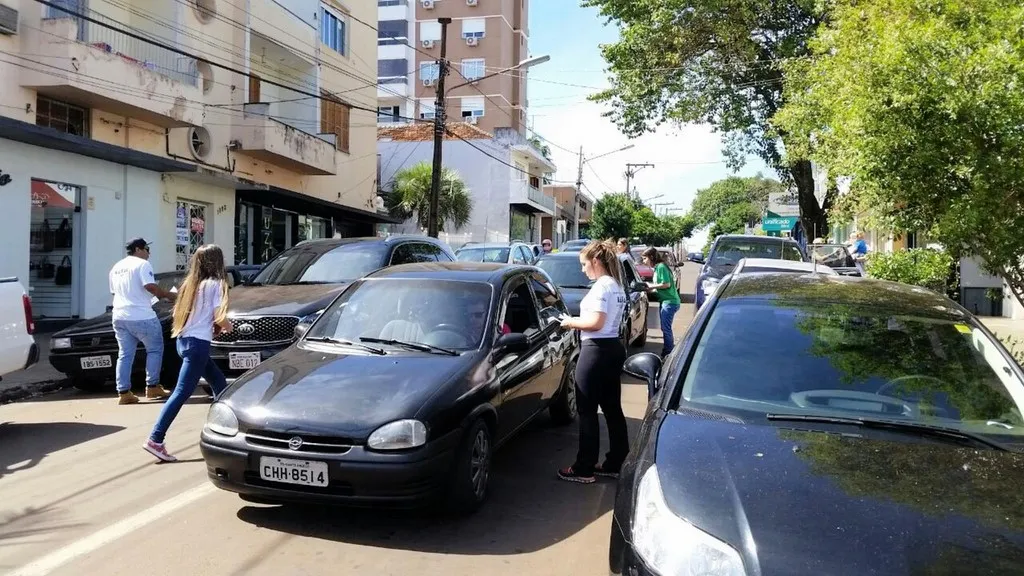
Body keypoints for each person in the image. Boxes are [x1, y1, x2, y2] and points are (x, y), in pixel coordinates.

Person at [144, 244, 233, 462]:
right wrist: (230, 326)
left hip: (184, 341)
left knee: (221, 386)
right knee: (182, 392)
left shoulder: (190, 284)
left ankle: (227, 433)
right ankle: (155, 438)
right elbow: (219, 317)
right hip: (198, 345)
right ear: (218, 262)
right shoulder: (217, 284)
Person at [558, 240, 630, 484]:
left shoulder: (601, 287)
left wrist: (570, 321)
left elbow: (595, 323)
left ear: (595, 261)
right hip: (612, 347)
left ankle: (584, 468)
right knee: (612, 409)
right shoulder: (616, 286)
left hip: (596, 349)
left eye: (584, 264)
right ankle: (615, 462)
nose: (583, 269)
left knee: (586, 410)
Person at [109, 237, 177, 405]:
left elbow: (115, 292)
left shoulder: (116, 267)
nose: (149, 253)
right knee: (154, 350)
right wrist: (169, 295)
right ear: (138, 249)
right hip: (142, 316)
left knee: (125, 354)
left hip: (119, 316)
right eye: (147, 249)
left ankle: (123, 392)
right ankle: (152, 386)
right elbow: (151, 287)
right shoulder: (142, 264)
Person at [642, 247, 681, 364]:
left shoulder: (661, 267)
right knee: (665, 328)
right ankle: (666, 352)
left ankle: (668, 354)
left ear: (651, 257)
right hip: (665, 301)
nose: (643, 261)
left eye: (645, 258)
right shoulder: (658, 268)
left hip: (670, 302)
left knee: (666, 329)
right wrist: (650, 290)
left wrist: (651, 286)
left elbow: (666, 284)